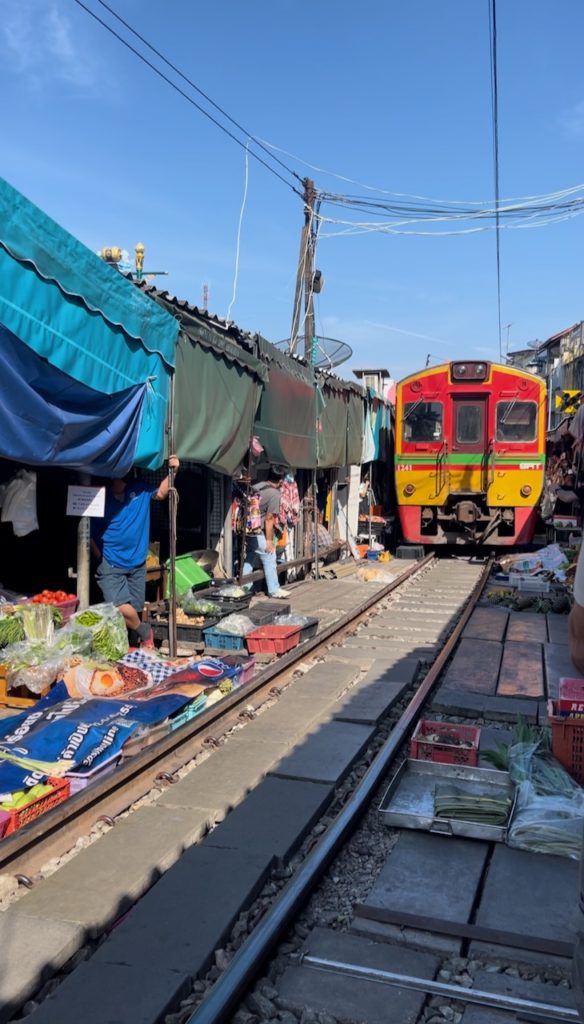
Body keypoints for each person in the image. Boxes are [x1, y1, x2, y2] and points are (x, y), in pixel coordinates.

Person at [91, 456, 180, 646]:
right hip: (110, 562)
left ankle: (132, 646)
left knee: (136, 607)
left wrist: (173, 471)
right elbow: (87, 530)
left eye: (120, 477)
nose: (116, 481)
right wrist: (99, 557)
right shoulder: (100, 496)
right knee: (119, 606)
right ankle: (145, 631)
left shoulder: (140, 488)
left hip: (137, 561)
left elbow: (162, 493)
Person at [242, 468, 289, 598]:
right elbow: (269, 519)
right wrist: (269, 541)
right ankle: (274, 589)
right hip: (257, 530)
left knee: (251, 556)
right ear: (280, 481)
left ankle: (244, 587)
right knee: (269, 554)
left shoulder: (256, 486)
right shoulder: (275, 494)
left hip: (246, 529)